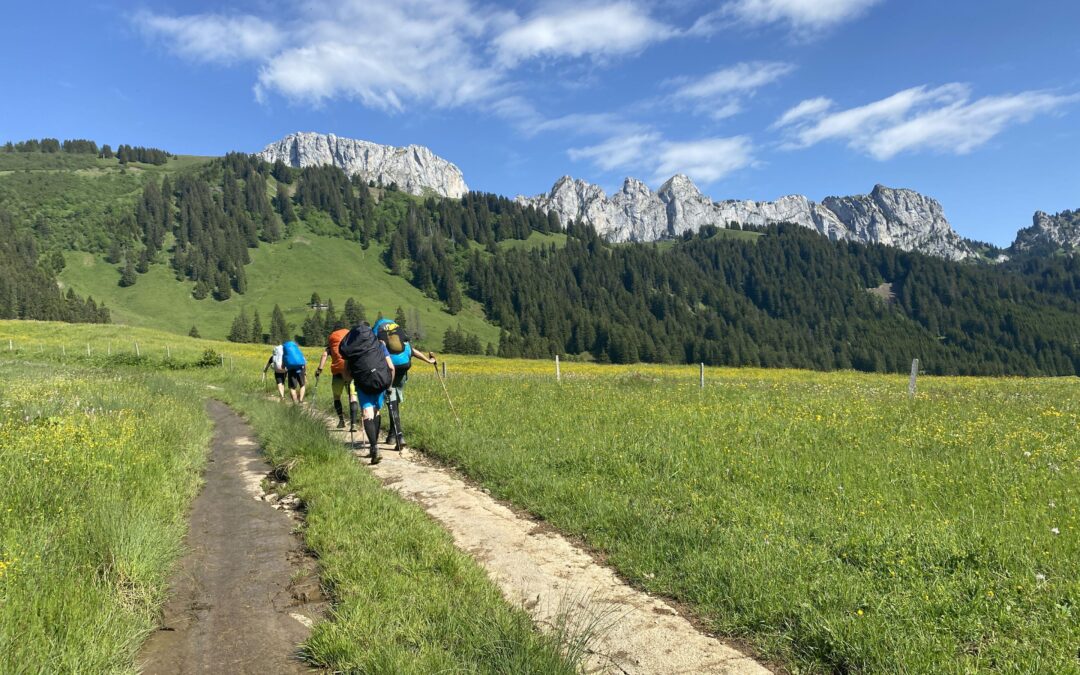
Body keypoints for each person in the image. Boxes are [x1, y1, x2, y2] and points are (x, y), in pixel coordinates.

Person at [372, 318, 436, 451]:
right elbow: (413, 351)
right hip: (404, 367)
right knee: (394, 401)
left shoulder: (379, 335)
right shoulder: (402, 340)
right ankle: (392, 435)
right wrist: (429, 361)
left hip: (391, 369)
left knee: (391, 400)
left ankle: (399, 436)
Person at [339, 323, 395, 465]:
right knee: (376, 412)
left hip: (363, 385)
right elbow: (391, 367)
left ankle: (374, 447)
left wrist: (352, 378)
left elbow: (346, 376)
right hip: (381, 382)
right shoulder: (379, 345)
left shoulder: (351, 351)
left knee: (367, 412)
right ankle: (373, 446)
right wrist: (389, 385)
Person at [315, 327, 353, 429]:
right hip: (349, 371)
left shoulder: (332, 343)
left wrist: (319, 370)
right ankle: (353, 423)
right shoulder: (348, 339)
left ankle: (341, 421)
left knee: (337, 397)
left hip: (337, 372)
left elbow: (324, 355)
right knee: (352, 396)